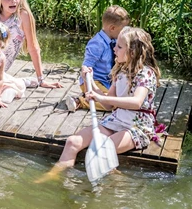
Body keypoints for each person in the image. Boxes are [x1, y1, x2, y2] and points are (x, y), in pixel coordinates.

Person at [35, 26, 161, 183]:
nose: (114, 48)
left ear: (132, 52)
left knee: (104, 150)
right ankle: (57, 173)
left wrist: (102, 98)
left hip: (136, 127)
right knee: (73, 142)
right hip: (116, 121)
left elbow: (136, 102)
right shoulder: (120, 70)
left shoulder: (146, 73)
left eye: (119, 46)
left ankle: (120, 184)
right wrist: (92, 84)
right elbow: (109, 105)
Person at [65, 5, 130, 112]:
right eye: (122, 29)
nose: (123, 33)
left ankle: (95, 97)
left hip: (107, 81)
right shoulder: (97, 43)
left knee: (121, 99)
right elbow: (86, 68)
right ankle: (81, 101)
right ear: (112, 28)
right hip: (95, 81)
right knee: (113, 105)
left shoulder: (114, 41)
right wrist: (87, 89)